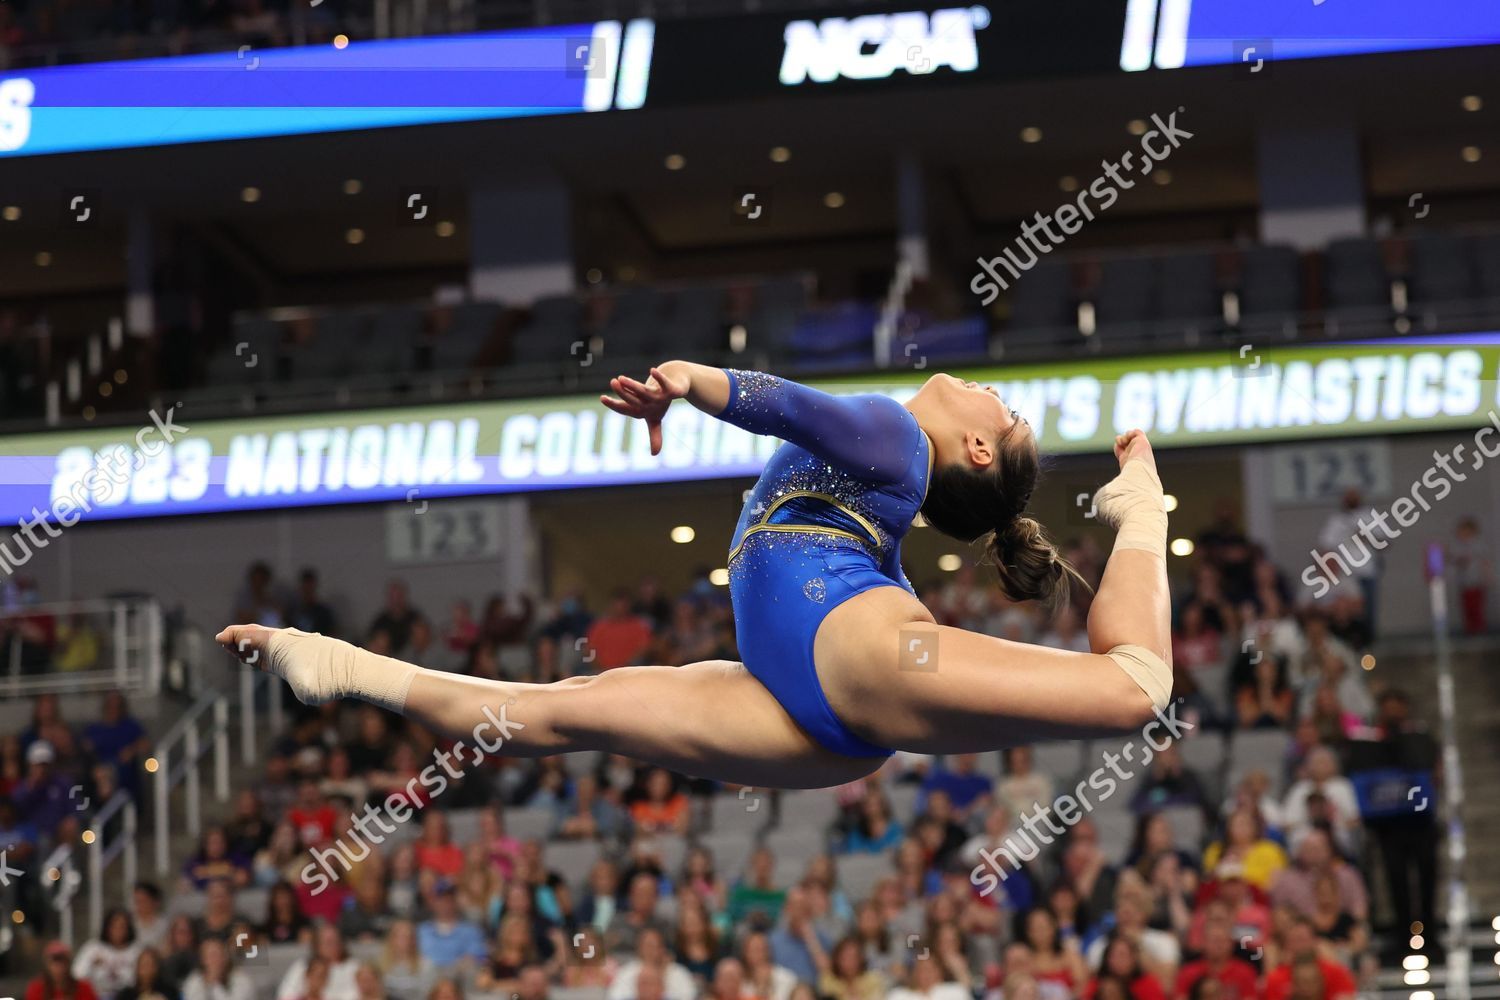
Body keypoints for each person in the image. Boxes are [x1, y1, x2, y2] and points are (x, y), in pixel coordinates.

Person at [220, 366, 1174, 790]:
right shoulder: (885, 498)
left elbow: (794, 410)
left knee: (1138, 687)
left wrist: (696, 381)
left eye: (1000, 409)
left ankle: (1143, 511)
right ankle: (331, 661)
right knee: (562, 710)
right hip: (812, 702)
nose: (990, 391)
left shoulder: (892, 435)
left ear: (971, 446)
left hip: (849, 661)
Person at [72, 908, 142, 1000]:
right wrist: (91, 964)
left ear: (129, 929)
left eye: (122, 927)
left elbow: (142, 980)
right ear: (107, 927)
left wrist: (120, 974)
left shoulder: (136, 951)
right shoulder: (93, 948)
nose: (118, 931)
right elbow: (77, 975)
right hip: (96, 995)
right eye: (114, 926)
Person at [181, 938, 255, 1000]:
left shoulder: (242, 979)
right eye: (210, 956)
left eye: (218, 955)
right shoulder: (194, 979)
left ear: (226, 958)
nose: (215, 960)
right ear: (203, 960)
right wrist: (208, 983)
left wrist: (215, 984)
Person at [27, 941, 101, 1000]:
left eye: (62, 962)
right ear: (47, 965)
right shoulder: (36, 989)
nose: (58, 968)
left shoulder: (84, 988)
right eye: (54, 963)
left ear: (69, 964)